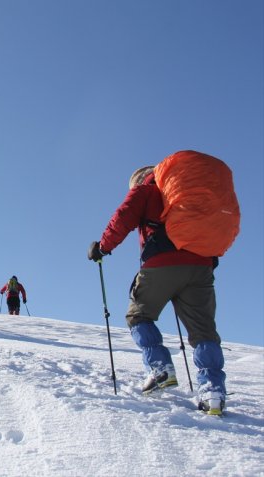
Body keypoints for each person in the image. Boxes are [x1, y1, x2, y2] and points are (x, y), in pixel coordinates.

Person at [88, 165, 227, 414]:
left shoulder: (147, 190)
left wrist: (103, 247)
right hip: (201, 266)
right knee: (204, 331)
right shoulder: (190, 196)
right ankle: (213, 392)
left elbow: (124, 216)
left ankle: (160, 368)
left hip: (162, 262)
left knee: (138, 315)